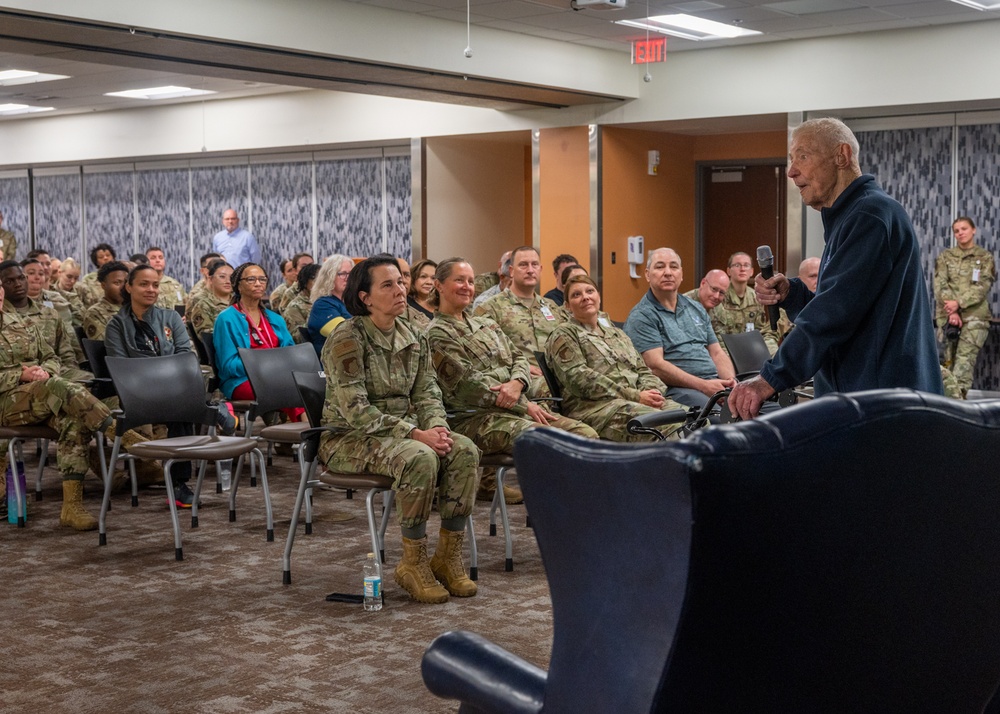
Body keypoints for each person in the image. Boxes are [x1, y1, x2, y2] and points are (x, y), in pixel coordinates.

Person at [729, 118, 943, 419]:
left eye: (802, 156)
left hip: (879, 408)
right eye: (791, 161)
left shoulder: (870, 215)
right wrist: (793, 294)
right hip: (860, 399)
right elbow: (847, 307)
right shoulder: (849, 217)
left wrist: (770, 378)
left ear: (841, 156)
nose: (791, 172)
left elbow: (834, 314)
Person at [319, 255, 480, 604]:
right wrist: (416, 434)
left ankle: (448, 557)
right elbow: (357, 411)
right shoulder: (347, 339)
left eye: (401, 282)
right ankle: (413, 562)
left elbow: (428, 392)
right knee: (419, 457)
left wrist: (437, 427)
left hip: (404, 434)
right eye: (387, 285)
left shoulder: (413, 334)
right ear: (365, 297)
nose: (400, 290)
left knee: (463, 449)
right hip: (348, 437)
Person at [425, 258, 598, 503]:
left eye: (471, 281)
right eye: (459, 280)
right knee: (544, 441)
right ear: (439, 286)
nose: (467, 286)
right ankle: (558, 511)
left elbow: (517, 357)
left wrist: (518, 383)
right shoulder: (436, 333)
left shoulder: (485, 324)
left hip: (514, 411)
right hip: (472, 417)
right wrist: (524, 405)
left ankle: (584, 505)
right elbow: (469, 386)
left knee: (585, 434)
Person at [106, 264, 235, 508]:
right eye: (144, 284)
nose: (151, 289)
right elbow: (123, 368)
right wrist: (165, 370)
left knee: (181, 400)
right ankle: (211, 410)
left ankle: (179, 483)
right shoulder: (117, 325)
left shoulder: (170, 317)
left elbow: (186, 357)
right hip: (136, 392)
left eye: (155, 284)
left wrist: (165, 371)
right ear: (129, 287)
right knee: (182, 401)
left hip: (173, 389)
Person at [0, 267, 112, 530]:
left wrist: (44, 371)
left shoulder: (21, 322)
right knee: (59, 388)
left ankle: (71, 506)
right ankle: (118, 433)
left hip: (35, 395)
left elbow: (52, 355)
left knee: (73, 420)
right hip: (5, 401)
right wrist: (21, 375)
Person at [546, 275, 685, 441]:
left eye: (590, 291)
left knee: (695, 420)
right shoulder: (564, 334)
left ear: (598, 296)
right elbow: (580, 380)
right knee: (666, 427)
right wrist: (635, 396)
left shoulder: (617, 334)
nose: (585, 297)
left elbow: (641, 369)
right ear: (567, 306)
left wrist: (651, 392)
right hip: (596, 408)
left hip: (637, 400)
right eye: (576, 295)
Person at [624, 247, 737, 409]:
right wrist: (704, 386)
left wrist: (730, 385)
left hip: (712, 384)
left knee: (761, 410)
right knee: (723, 418)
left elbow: (716, 352)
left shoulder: (696, 308)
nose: (668, 272)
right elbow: (655, 366)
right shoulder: (642, 316)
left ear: (681, 274)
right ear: (648, 275)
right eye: (660, 266)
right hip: (678, 389)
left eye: (674, 267)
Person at [213, 262, 303, 422]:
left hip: (277, 377)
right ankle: (309, 437)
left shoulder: (275, 319)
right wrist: (263, 364)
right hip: (241, 380)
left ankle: (297, 436)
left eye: (262, 279)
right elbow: (228, 366)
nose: (258, 283)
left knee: (311, 387)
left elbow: (290, 354)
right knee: (289, 390)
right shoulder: (226, 318)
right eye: (251, 279)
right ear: (238, 286)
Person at [473, 246, 564, 397]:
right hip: (521, 381)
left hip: (558, 376)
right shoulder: (491, 308)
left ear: (540, 269)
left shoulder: (552, 307)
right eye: (523, 265)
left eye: (534, 265)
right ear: (511, 270)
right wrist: (521, 368)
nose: (530, 270)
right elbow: (485, 354)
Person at [934, 216, 996, 398]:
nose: (960, 233)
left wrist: (958, 304)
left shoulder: (984, 258)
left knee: (963, 362)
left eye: (964, 229)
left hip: (975, 318)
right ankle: (948, 407)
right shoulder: (946, 257)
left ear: (973, 230)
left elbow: (982, 287)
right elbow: (940, 285)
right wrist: (951, 310)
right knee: (948, 364)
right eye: (956, 231)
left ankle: (957, 409)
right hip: (948, 318)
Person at [8, 260, 91, 384]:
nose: (37, 277)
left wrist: (70, 370)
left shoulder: (50, 311)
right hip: (24, 375)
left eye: (41, 274)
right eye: (31, 273)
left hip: (55, 369)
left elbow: (65, 349)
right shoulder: (7, 315)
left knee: (94, 382)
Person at [711, 251, 780, 356]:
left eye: (746, 265)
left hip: (749, 350)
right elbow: (716, 334)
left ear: (752, 271)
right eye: (737, 265)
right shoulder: (720, 295)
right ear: (728, 271)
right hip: (725, 351)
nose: (742, 269)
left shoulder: (755, 297)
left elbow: (758, 331)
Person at [306, 254, 353, 356]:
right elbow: (345, 334)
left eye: (351, 274)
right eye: (343, 274)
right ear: (329, 277)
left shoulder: (351, 302)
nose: (348, 278)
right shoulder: (322, 305)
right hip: (333, 365)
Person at [82, 260, 129, 340]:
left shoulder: (132, 308)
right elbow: (105, 345)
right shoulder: (95, 313)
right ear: (103, 285)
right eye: (117, 283)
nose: (123, 287)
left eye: (125, 283)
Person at [187, 259, 233, 338]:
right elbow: (207, 337)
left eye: (231, 277)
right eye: (222, 277)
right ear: (211, 279)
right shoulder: (203, 303)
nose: (228, 281)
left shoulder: (240, 302)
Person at [283, 262, 319, 343]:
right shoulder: (294, 307)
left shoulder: (329, 301)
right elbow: (299, 338)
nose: (319, 282)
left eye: (322, 278)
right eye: (314, 278)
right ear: (305, 281)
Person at [77, 243, 117, 309]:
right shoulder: (88, 279)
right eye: (101, 257)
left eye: (108, 255)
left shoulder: (121, 277)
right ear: (96, 262)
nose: (105, 258)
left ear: (113, 258)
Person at [54, 257, 86, 326]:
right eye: (69, 277)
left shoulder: (82, 290)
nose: (72, 281)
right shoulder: (50, 293)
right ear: (60, 273)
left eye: (76, 278)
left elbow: (89, 315)